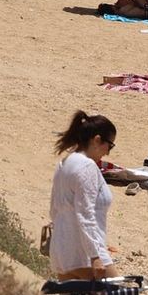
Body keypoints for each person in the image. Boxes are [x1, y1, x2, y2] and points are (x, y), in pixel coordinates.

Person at [48, 111, 119, 281]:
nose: (108, 152)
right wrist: (95, 256)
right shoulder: (87, 166)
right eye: (109, 145)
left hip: (62, 251)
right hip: (83, 254)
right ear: (96, 140)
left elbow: (54, 210)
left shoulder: (64, 163)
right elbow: (85, 214)